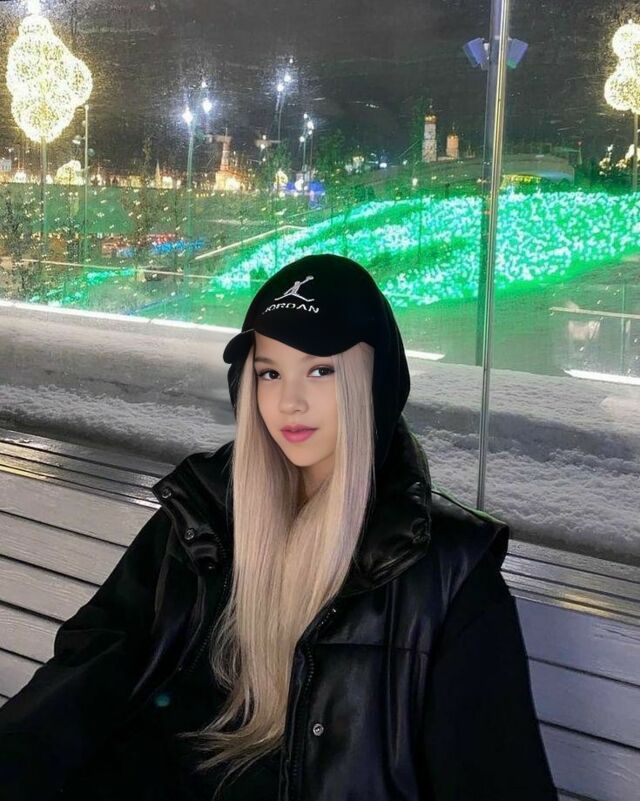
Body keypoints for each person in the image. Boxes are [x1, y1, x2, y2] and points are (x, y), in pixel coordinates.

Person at [0, 254, 559, 801]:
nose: (289, 402)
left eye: (320, 370)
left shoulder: (444, 573)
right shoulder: (206, 512)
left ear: (373, 380)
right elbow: (93, 662)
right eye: (270, 372)